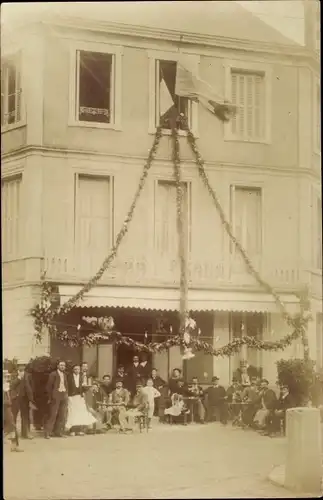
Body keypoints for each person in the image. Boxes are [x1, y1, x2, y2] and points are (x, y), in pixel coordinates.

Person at [66, 364, 96, 436]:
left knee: (81, 413)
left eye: (78, 369)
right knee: (72, 413)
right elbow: (67, 386)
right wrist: (67, 395)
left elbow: (84, 387)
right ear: (73, 370)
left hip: (80, 396)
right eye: (75, 369)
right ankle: (72, 430)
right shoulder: (69, 377)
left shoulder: (82, 377)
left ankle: (80, 430)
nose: (77, 371)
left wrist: (86, 388)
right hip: (72, 397)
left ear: (80, 370)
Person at [44, 360, 69, 439]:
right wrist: (50, 397)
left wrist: (66, 394)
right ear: (57, 366)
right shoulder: (53, 374)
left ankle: (58, 432)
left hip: (63, 395)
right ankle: (47, 433)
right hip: (55, 396)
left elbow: (66, 385)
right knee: (53, 415)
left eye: (64, 365)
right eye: (61, 365)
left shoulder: (65, 375)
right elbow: (49, 387)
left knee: (62, 415)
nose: (62, 367)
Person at [10, 364, 35, 439]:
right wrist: (18, 378)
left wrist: (31, 398)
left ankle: (26, 433)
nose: (21, 367)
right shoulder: (14, 375)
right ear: (17, 367)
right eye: (19, 365)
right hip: (16, 398)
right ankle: (13, 433)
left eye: (23, 365)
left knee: (25, 416)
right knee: (13, 416)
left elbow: (32, 386)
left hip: (25, 398)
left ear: (25, 367)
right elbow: (11, 386)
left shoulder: (29, 375)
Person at [3, 370, 23, 452]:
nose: (7, 378)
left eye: (7, 377)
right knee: (11, 427)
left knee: (12, 427)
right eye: (5, 376)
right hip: (5, 408)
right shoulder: (5, 387)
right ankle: (14, 446)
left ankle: (14, 446)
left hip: (7, 408)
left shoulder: (6, 386)